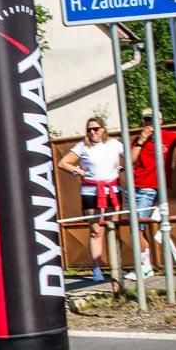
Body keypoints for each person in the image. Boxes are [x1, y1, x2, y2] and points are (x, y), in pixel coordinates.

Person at [59, 118, 124, 283]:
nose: (92, 132)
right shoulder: (82, 146)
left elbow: (130, 159)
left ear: (103, 129)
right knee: (96, 230)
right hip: (91, 192)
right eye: (89, 129)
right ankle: (97, 268)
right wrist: (79, 171)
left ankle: (117, 268)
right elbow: (63, 163)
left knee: (113, 228)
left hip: (112, 190)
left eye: (96, 128)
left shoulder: (114, 144)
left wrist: (122, 168)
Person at [128, 112, 176, 279]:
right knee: (136, 228)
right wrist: (141, 141)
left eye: (152, 119)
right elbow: (130, 161)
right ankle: (145, 265)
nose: (149, 123)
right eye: (146, 120)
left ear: (161, 121)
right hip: (134, 186)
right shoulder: (137, 139)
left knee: (137, 227)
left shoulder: (170, 136)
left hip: (151, 188)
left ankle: (145, 266)